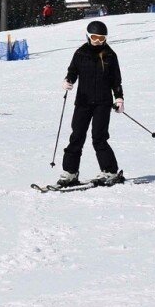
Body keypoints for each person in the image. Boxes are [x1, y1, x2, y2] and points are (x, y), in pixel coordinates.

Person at [58, 19, 125, 187]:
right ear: (88, 36)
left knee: (99, 137)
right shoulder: (80, 53)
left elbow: (116, 80)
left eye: (102, 38)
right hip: (83, 101)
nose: (98, 41)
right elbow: (73, 70)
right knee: (77, 136)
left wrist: (119, 98)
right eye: (95, 37)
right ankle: (70, 173)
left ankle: (110, 171)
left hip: (102, 103)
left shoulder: (110, 55)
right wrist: (68, 80)